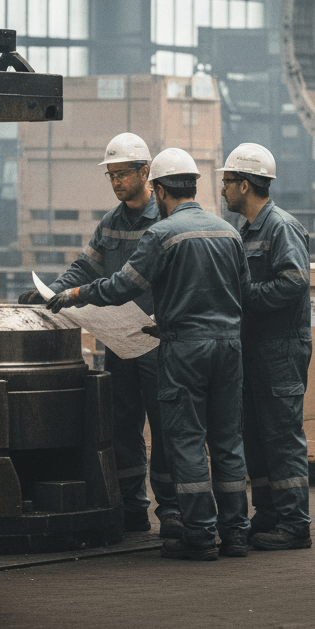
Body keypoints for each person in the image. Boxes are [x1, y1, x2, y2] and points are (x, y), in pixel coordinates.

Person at [47, 148, 251, 562]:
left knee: (186, 441)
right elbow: (242, 292)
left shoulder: (162, 233)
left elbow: (122, 285)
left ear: (157, 186)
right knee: (228, 442)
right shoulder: (229, 232)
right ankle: (236, 535)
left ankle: (197, 534)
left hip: (182, 348)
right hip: (229, 347)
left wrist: (72, 295)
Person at [19, 133, 182, 538]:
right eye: (111, 175)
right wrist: (53, 294)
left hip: (158, 342)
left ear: (146, 173)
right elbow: (83, 269)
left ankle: (173, 510)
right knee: (122, 427)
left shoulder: (164, 221)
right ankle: (132, 507)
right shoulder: (110, 223)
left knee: (164, 429)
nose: (116, 183)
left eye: (123, 174)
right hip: (121, 342)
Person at [220, 143, 313, 551]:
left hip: (280, 350)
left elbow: (295, 281)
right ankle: (270, 514)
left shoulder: (280, 227)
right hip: (255, 348)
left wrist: (249, 297)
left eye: (226, 182)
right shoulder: (246, 231)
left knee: (282, 436)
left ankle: (295, 525)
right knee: (255, 435)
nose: (222, 190)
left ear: (244, 184)